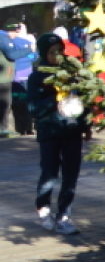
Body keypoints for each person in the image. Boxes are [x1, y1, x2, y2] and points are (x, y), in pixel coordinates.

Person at [27, 33, 85, 235]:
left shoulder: (71, 74)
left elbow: (82, 101)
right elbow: (34, 108)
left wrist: (85, 125)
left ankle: (64, 216)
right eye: (53, 53)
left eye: (61, 51)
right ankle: (43, 208)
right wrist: (54, 101)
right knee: (50, 172)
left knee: (70, 175)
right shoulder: (37, 77)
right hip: (50, 131)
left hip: (71, 130)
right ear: (44, 54)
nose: (58, 56)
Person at [5, 21, 33, 137]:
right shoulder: (27, 42)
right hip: (27, 75)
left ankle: (19, 128)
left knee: (16, 103)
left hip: (14, 75)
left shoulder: (8, 43)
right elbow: (34, 56)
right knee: (27, 101)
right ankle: (28, 128)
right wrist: (28, 59)